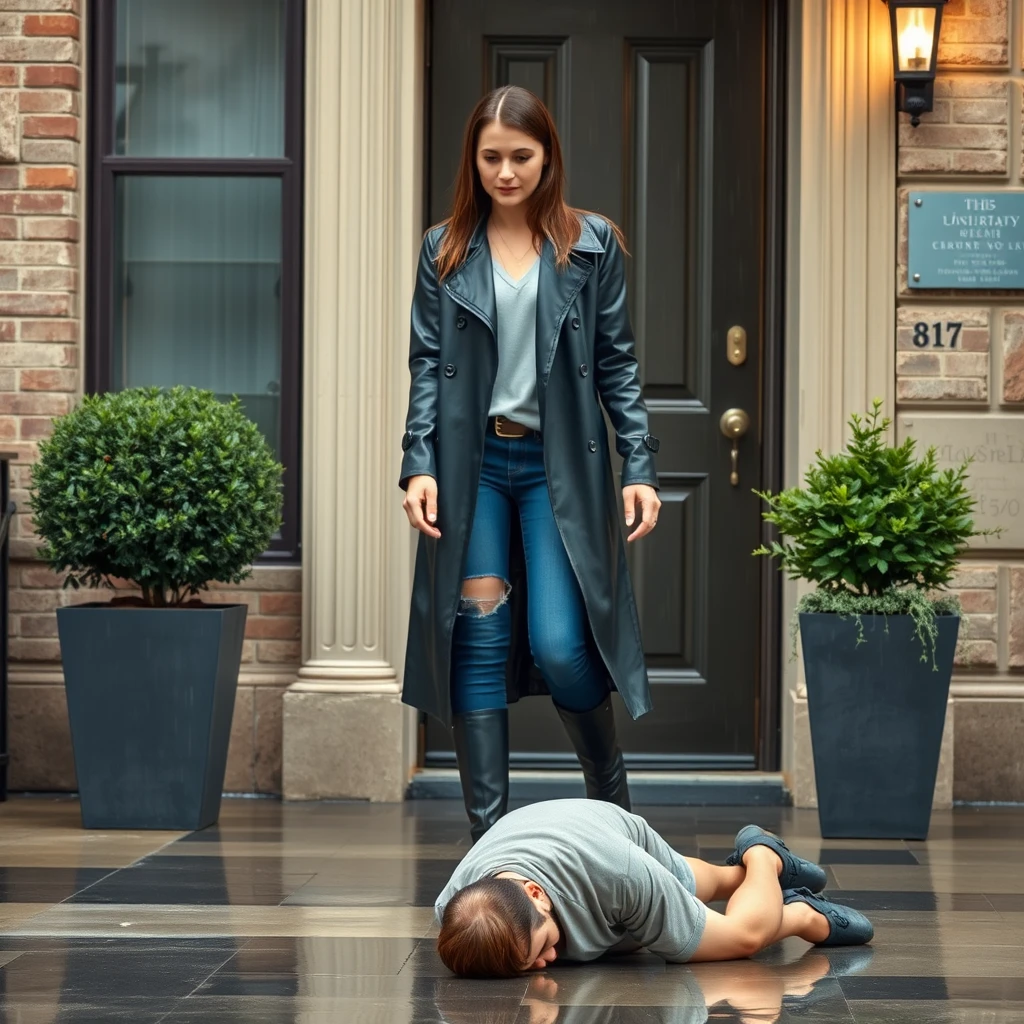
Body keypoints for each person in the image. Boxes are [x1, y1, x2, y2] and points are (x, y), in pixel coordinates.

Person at [399, 84, 662, 841]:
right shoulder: (443, 248)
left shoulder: (591, 245)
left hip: (558, 471)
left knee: (560, 642)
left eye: (521, 156)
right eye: (491, 158)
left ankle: (613, 807)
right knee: (478, 633)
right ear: (472, 161)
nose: (506, 172)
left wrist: (639, 464)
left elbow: (617, 363)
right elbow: (428, 362)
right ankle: (489, 843)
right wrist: (419, 460)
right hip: (473, 465)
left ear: (547, 156)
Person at [434, 799, 874, 978]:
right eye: (530, 964)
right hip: (548, 829)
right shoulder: (457, 913)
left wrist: (784, 916)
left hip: (609, 836)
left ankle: (770, 864)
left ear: (535, 893)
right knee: (707, 884)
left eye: (544, 945)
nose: (548, 963)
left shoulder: (619, 873)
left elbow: (741, 938)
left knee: (741, 930)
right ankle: (765, 884)